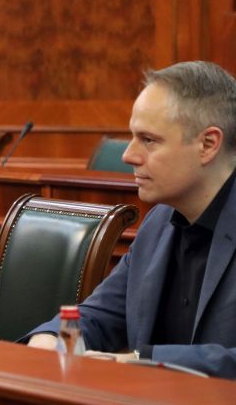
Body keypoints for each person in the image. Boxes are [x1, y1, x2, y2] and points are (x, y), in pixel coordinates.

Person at [26, 61, 236, 379]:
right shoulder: (158, 223)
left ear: (207, 144)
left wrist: (140, 359)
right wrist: (51, 338)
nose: (129, 155)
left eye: (149, 140)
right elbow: (101, 314)